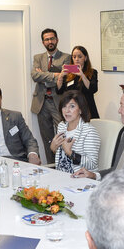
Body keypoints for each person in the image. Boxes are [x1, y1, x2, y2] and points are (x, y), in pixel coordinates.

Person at [31, 28, 72, 164]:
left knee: (62, 135)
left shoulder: (66, 57)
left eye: (52, 38)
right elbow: (35, 76)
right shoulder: (38, 58)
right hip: (41, 103)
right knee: (47, 139)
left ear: (57, 40)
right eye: (47, 39)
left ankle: (63, 165)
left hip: (58, 102)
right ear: (43, 42)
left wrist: (43, 74)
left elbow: (64, 77)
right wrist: (55, 75)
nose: (50, 41)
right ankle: (51, 166)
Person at [50, 90, 101, 173]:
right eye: (64, 106)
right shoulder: (61, 126)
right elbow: (60, 156)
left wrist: (70, 153)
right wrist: (53, 148)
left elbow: (92, 164)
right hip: (61, 175)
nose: (67, 111)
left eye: (72, 106)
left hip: (81, 178)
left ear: (80, 110)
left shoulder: (89, 132)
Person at [57, 45, 99, 119]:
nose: (76, 59)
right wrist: (60, 76)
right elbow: (59, 90)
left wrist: (82, 75)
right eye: (74, 57)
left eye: (80, 57)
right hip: (71, 110)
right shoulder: (69, 73)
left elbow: (93, 89)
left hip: (87, 109)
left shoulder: (92, 72)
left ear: (85, 58)